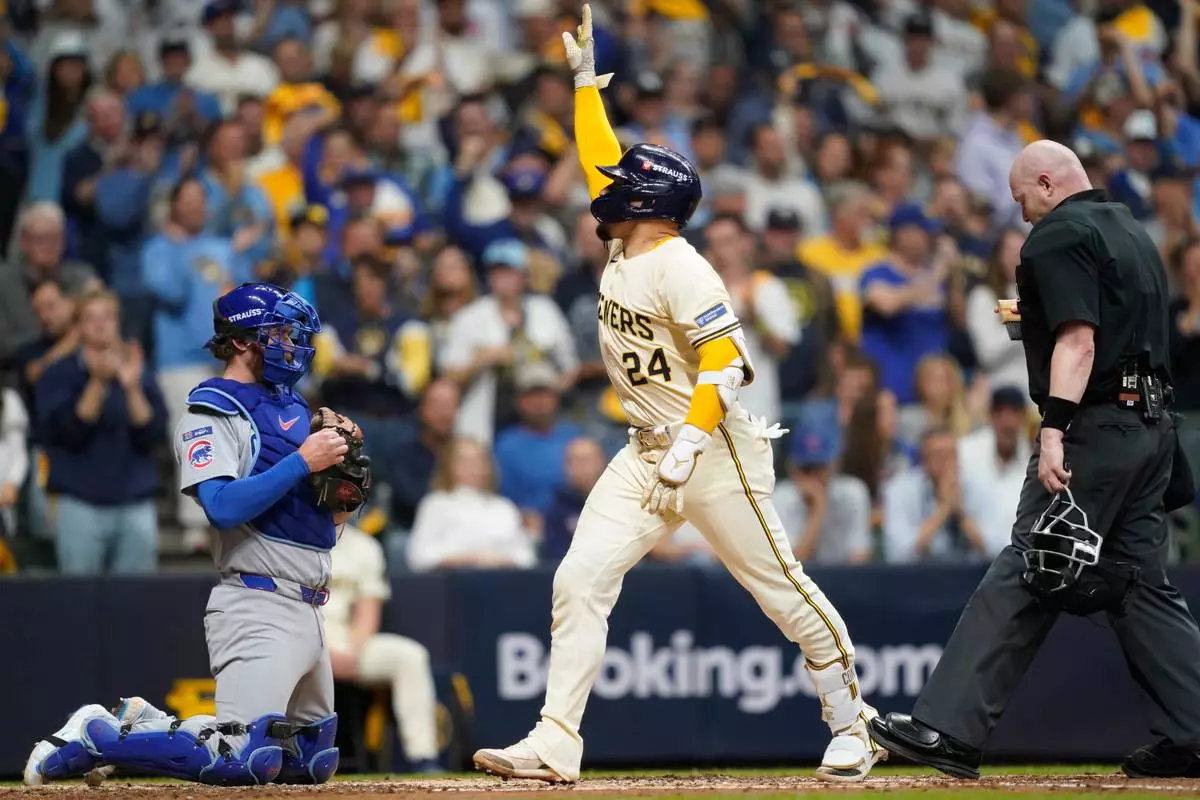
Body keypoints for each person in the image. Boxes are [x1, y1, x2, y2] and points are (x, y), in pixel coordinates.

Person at [472, 5, 885, 785]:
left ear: (647, 203)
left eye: (626, 184)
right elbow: (599, 158)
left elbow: (725, 362)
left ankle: (852, 722)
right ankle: (556, 741)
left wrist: (691, 443)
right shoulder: (629, 244)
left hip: (714, 448)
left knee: (780, 590)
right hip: (643, 450)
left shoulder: (682, 265)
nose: (608, 186)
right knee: (579, 580)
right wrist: (586, 88)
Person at [870, 141, 1200, 779]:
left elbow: (1080, 341)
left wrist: (1053, 430)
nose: (1022, 214)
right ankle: (1194, 731)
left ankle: (948, 728)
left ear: (1047, 184)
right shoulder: (1131, 231)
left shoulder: (1055, 236)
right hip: (1153, 428)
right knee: (1139, 582)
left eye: (1022, 199)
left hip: (1095, 427)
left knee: (1034, 557)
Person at [25, 283, 369, 787]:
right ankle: (97, 735)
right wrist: (303, 460)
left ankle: (145, 725)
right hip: (258, 601)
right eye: (279, 334)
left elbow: (319, 525)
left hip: (312, 603)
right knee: (240, 758)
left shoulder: (296, 408)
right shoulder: (212, 407)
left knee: (308, 761)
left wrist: (342, 494)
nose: (292, 345)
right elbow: (222, 506)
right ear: (242, 340)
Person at [36, 289, 167, 574]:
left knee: (136, 597)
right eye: (91, 318)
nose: (100, 325)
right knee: (78, 597)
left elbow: (153, 434)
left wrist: (132, 388)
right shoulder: (58, 374)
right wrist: (98, 382)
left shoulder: (139, 371)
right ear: (78, 326)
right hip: (80, 503)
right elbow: (68, 433)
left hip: (135, 501)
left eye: (108, 317)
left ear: (118, 323)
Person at [325, 520, 441, 773]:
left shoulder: (364, 546)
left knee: (410, 656)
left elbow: (368, 611)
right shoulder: (291, 539)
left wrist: (352, 653)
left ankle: (423, 757)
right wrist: (322, 654)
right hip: (302, 641)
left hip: (346, 640)